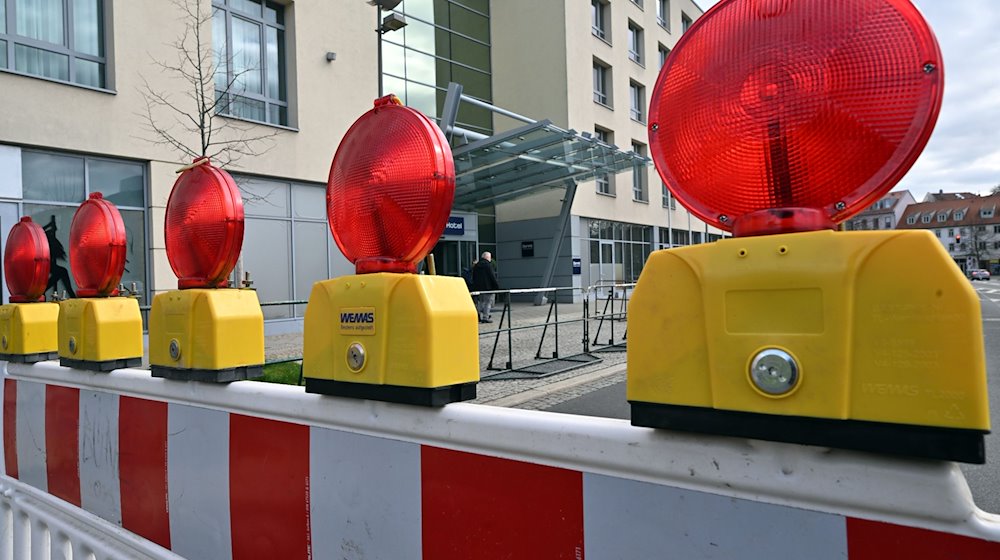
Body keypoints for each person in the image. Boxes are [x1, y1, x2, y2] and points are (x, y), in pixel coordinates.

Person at [471, 251, 499, 323]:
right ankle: (485, 317)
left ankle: (477, 316)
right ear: (487, 257)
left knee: (480, 303)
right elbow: (492, 276)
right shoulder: (488, 265)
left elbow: (474, 277)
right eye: (489, 257)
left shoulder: (476, 266)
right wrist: (496, 286)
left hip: (478, 288)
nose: (490, 259)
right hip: (488, 288)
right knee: (488, 303)